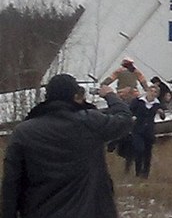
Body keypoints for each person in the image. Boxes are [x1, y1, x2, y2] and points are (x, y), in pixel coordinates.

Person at [1, 74, 133, 218]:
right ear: (76, 96)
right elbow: (125, 120)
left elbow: (11, 184)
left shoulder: (23, 132)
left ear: (47, 96)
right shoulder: (90, 122)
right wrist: (110, 96)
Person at [129, 85, 166, 178]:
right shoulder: (138, 101)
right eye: (151, 91)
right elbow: (130, 111)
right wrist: (132, 117)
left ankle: (145, 173)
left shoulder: (157, 104)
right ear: (147, 91)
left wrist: (161, 113)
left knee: (147, 152)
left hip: (149, 130)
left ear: (157, 95)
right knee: (139, 149)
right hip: (137, 129)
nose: (152, 93)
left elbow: (163, 117)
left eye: (155, 92)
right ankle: (138, 171)